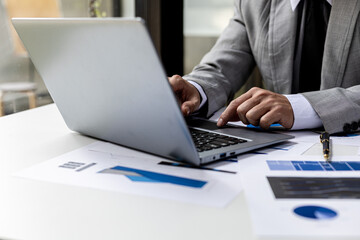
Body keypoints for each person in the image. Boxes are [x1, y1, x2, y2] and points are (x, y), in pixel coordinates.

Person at [169, 0, 360, 134]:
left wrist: (300, 107)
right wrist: (196, 89)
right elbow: (223, 64)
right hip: (282, 151)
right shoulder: (254, 3)